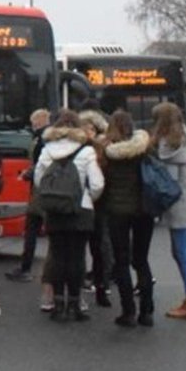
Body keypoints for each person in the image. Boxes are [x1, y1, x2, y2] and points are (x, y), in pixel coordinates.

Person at [34, 110, 105, 322]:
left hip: (55, 210)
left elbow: (39, 179)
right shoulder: (86, 151)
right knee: (76, 257)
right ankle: (75, 303)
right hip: (80, 210)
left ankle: (57, 304)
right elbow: (97, 184)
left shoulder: (47, 150)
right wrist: (88, 198)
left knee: (57, 255)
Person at [99, 110, 155, 327]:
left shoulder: (106, 152)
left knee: (121, 262)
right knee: (141, 260)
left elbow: (100, 183)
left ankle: (128, 311)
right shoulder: (144, 148)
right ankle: (147, 312)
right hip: (143, 210)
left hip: (117, 212)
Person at [152, 102, 186, 320]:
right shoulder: (184, 139)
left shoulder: (168, 147)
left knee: (182, 252)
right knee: (181, 251)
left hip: (177, 205)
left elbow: (167, 184)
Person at [6, 108, 52, 282]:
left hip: (39, 190)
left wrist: (27, 174)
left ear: (39, 122)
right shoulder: (51, 138)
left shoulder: (41, 139)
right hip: (47, 189)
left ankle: (26, 267)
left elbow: (40, 164)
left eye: (33, 123)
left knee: (32, 228)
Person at [79, 110, 113, 308]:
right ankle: (96, 282)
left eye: (91, 128)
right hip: (94, 202)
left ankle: (102, 283)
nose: (88, 131)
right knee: (92, 245)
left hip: (97, 203)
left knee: (99, 245)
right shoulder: (90, 148)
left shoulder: (101, 148)